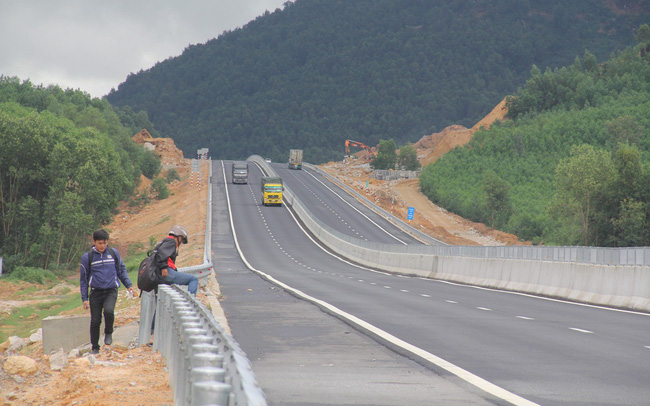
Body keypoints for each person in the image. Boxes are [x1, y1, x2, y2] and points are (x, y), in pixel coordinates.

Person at [80, 229, 135, 354]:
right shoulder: (88, 258)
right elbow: (83, 280)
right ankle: (95, 347)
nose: (103, 246)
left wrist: (129, 285)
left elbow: (121, 271)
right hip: (95, 292)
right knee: (95, 320)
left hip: (111, 290)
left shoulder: (113, 253)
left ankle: (109, 333)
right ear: (94, 242)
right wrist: (84, 298)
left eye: (105, 243)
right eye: (100, 243)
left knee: (109, 311)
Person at [157, 225, 198, 295]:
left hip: (160, 273)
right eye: (182, 241)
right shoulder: (171, 241)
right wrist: (163, 268)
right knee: (193, 279)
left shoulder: (164, 242)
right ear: (179, 237)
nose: (180, 243)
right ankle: (191, 302)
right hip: (167, 272)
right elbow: (162, 253)